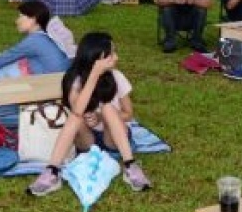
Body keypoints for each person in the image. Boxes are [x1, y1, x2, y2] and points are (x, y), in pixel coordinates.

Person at [27, 32, 151, 196]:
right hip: (87, 141)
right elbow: (78, 111)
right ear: (97, 58)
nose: (116, 57)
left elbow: (128, 114)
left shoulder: (117, 77)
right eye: (111, 54)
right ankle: (52, 171)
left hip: (113, 139)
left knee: (107, 108)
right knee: (75, 117)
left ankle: (130, 166)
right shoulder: (75, 80)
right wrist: (94, 74)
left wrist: (101, 117)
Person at [0, 0, 71, 78]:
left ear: (33, 19)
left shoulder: (35, 41)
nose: (17, 21)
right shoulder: (45, 37)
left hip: (50, 82)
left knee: (4, 70)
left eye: (21, 16)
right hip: (60, 78)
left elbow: (3, 59)